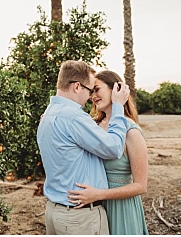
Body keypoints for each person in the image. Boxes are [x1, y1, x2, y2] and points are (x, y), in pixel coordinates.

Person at [38, 60, 131, 235]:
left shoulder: (48, 114)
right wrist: (118, 106)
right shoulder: (73, 117)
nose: (90, 97)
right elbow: (114, 148)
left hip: (54, 212)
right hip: (79, 218)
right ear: (77, 87)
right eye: (89, 90)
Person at [66, 70, 149, 235]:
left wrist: (99, 194)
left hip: (121, 208)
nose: (93, 96)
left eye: (97, 89)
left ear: (116, 89)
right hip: (94, 207)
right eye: (91, 92)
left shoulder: (131, 130)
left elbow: (141, 186)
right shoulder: (93, 126)